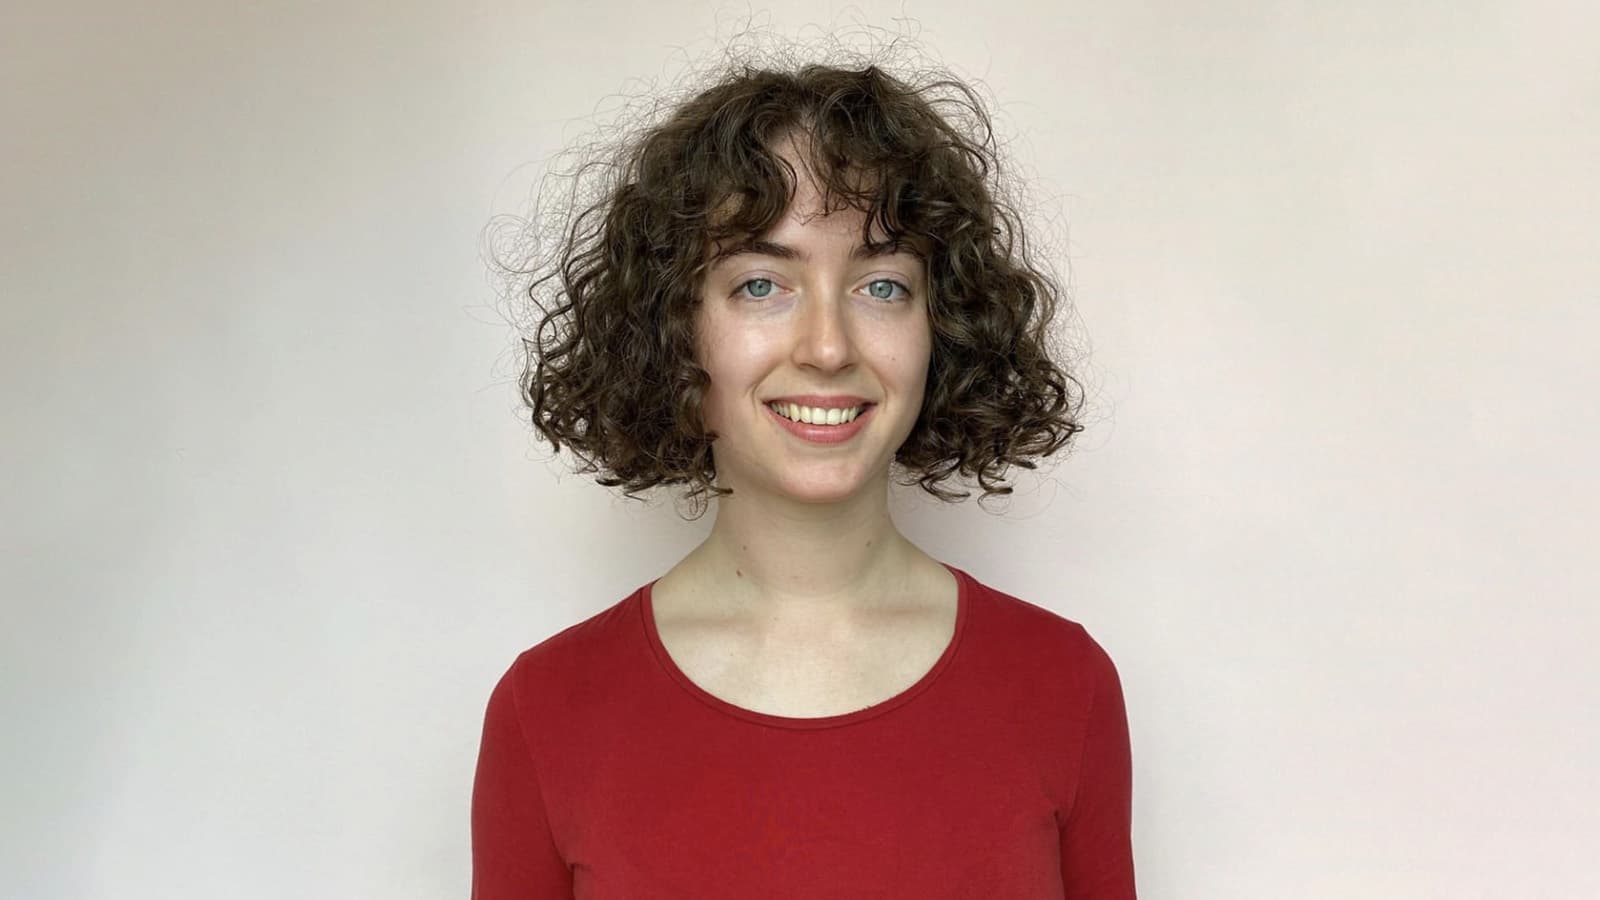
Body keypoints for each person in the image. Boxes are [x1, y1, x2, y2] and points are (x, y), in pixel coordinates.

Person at [471, 56, 1136, 898]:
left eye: (883, 285)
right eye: (761, 284)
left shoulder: (1061, 685)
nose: (828, 347)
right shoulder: (550, 710)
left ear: (944, 328)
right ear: (676, 332)